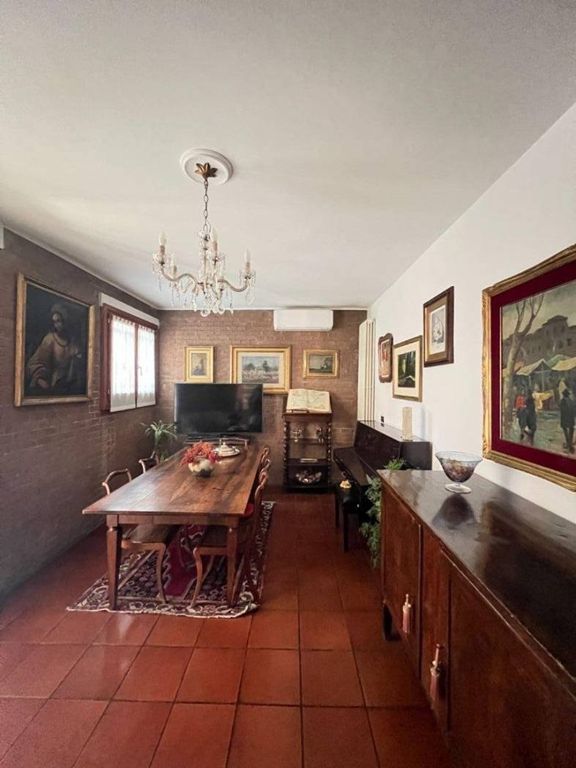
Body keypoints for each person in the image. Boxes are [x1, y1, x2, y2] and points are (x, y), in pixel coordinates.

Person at [26, 303, 83, 395]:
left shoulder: (72, 341)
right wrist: (41, 380)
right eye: (54, 322)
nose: (57, 325)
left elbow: (79, 364)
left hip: (70, 384)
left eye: (59, 321)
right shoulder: (50, 339)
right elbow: (35, 363)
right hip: (54, 385)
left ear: (65, 321)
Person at [560, 389, 575, 454]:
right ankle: (569, 445)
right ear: (568, 395)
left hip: (565, 419)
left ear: (563, 395)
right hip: (571, 419)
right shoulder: (571, 401)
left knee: (565, 431)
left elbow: (562, 410)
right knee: (571, 432)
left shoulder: (563, 401)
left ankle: (569, 446)